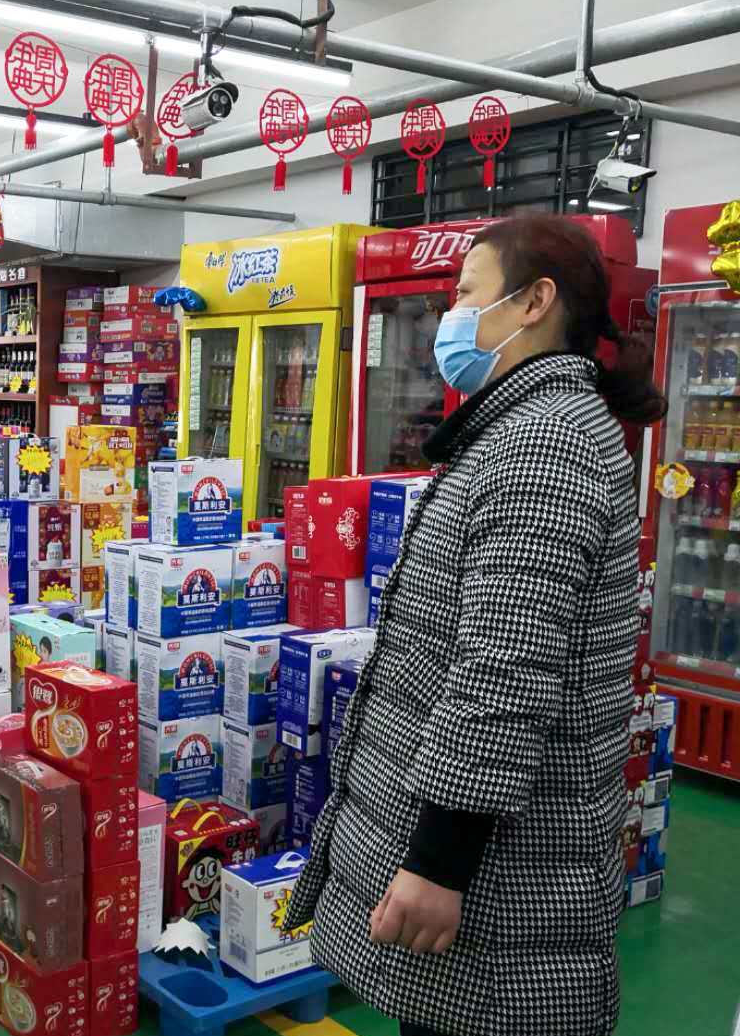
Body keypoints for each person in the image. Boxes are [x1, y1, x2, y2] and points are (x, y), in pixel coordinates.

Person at [285, 214, 667, 1036]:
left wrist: (438, 862)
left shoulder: (545, 443)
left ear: (534, 302)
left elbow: (505, 670)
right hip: (498, 873)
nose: (451, 315)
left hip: (499, 890)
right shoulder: (519, 430)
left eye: (466, 293)